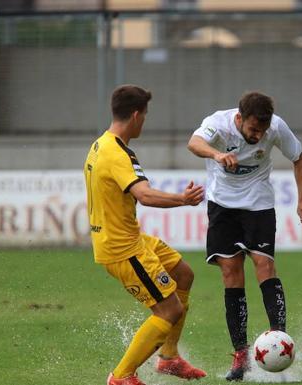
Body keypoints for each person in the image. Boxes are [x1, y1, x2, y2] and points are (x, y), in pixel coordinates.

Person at [84, 85, 207, 385]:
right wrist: (183, 199)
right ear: (136, 115)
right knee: (169, 309)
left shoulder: (102, 144)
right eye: (145, 116)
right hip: (122, 248)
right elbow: (145, 195)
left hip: (131, 238)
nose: (145, 122)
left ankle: (169, 358)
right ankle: (121, 377)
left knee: (183, 275)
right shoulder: (116, 153)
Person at [187, 91, 302, 381]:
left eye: (263, 130)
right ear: (240, 118)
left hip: (258, 204)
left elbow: (299, 159)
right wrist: (217, 154)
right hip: (222, 206)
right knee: (231, 274)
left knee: (264, 265)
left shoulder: (276, 127)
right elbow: (194, 143)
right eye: (254, 129)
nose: (259, 135)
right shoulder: (218, 123)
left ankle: (280, 341)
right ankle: (241, 356)